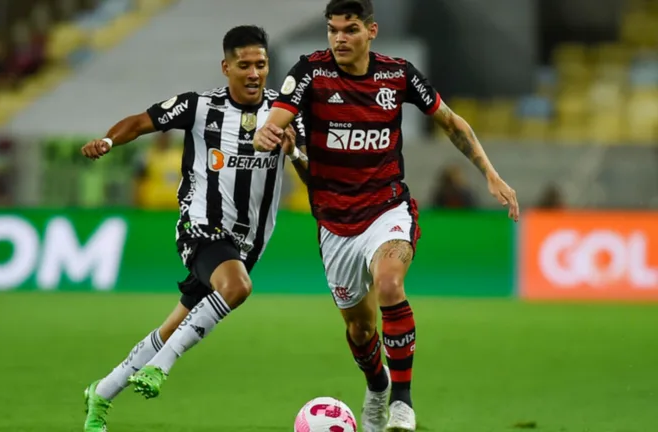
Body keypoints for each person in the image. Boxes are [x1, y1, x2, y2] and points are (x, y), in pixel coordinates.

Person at [253, 1, 520, 431]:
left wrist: (490, 173)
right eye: (333, 30)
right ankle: (376, 387)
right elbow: (280, 116)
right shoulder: (309, 72)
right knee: (361, 331)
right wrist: (271, 130)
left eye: (350, 29)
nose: (340, 38)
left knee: (390, 284)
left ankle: (402, 401)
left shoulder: (397, 74)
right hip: (334, 221)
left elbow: (451, 122)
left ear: (371, 31)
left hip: (387, 207)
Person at [79, 25, 308, 432]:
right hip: (200, 226)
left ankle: (102, 393)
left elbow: (313, 177)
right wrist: (108, 142)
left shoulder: (286, 114)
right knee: (236, 288)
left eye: (261, 64)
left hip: (247, 245)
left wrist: (294, 151)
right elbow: (138, 122)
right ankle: (159, 369)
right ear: (226, 67)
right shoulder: (198, 108)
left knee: (173, 326)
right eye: (244, 65)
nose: (254, 73)